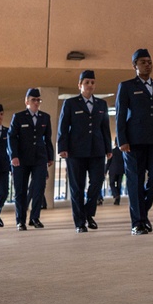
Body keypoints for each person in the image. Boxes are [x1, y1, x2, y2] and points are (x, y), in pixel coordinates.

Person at [116, 49, 153, 235]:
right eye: (143, 62)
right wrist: (122, 140)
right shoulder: (126, 86)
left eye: (149, 61)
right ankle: (138, 222)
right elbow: (120, 115)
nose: (147, 64)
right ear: (135, 66)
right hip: (134, 142)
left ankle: (142, 212)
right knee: (135, 182)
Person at [58, 70, 113, 233]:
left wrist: (108, 149)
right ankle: (80, 222)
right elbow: (63, 127)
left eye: (92, 82)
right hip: (75, 151)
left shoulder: (101, 105)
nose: (90, 85)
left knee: (97, 182)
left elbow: (105, 128)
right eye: (87, 82)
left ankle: (89, 214)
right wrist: (62, 148)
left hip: (97, 150)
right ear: (80, 85)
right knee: (77, 187)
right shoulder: (71, 104)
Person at [8, 88, 54, 230]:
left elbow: (47, 139)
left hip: (40, 158)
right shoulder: (19, 117)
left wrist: (50, 157)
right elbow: (11, 137)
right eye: (33, 100)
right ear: (27, 101)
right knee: (21, 190)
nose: (36, 102)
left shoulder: (45, 117)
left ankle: (35, 218)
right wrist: (14, 155)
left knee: (39, 188)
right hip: (21, 159)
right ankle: (20, 220)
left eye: (38, 100)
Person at [106, 140, 125, 205]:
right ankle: (117, 198)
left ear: (115, 143)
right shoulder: (123, 152)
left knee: (112, 183)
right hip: (121, 170)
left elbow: (108, 162)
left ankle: (116, 195)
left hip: (113, 170)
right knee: (119, 184)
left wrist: (105, 170)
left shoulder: (112, 151)